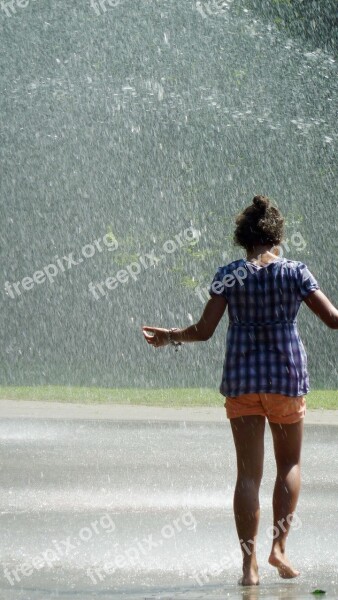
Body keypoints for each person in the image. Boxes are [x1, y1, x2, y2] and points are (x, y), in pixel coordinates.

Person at [142, 195, 338, 586]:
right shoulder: (296, 272)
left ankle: (248, 566)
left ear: (243, 236)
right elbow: (333, 320)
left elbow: (203, 331)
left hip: (243, 382)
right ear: (276, 234)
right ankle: (278, 548)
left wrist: (169, 337)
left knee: (247, 475)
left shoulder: (229, 274)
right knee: (289, 466)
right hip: (285, 380)